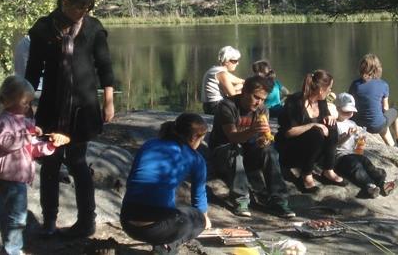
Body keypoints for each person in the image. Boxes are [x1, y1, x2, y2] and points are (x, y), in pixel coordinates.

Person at [25, 0, 116, 238]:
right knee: (50, 163)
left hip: (83, 108)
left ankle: (86, 221)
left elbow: (105, 67)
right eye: (79, 7)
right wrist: (26, 104)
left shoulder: (93, 29)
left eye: (87, 8)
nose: (83, 13)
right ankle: (50, 220)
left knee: (77, 162)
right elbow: (33, 69)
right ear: (64, 2)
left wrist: (108, 100)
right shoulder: (43, 28)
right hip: (52, 107)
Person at [0, 76, 69, 255]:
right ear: (10, 100)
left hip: (19, 178)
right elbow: (7, 143)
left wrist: (50, 145)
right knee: (17, 216)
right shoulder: (4, 121)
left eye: (30, 103)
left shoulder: (23, 123)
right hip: (8, 177)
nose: (29, 107)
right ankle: (12, 250)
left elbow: (32, 149)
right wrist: (27, 134)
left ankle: (12, 247)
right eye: (25, 103)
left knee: (16, 215)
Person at [121, 113, 211, 255]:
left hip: (127, 221)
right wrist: (205, 220)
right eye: (201, 140)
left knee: (176, 208)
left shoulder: (150, 144)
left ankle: (161, 244)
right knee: (197, 218)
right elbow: (199, 200)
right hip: (156, 227)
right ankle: (166, 249)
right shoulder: (196, 159)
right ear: (194, 138)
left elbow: (133, 180)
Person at [209, 76, 295, 218]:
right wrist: (252, 130)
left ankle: (278, 199)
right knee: (235, 149)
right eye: (256, 97)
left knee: (270, 151)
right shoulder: (227, 106)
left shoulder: (262, 109)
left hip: (248, 153)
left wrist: (264, 141)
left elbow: (261, 139)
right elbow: (232, 136)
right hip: (224, 153)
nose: (259, 102)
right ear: (244, 91)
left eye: (263, 99)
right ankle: (240, 200)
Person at [277, 70, 346, 193]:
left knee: (332, 126)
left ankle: (328, 170)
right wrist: (312, 125)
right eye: (329, 88)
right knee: (316, 132)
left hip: (314, 151)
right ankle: (306, 175)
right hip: (293, 149)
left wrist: (328, 118)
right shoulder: (295, 102)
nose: (331, 91)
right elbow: (288, 132)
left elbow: (325, 122)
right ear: (320, 90)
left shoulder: (321, 101)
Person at [332, 93, 397, 198]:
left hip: (352, 154)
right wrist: (347, 136)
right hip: (340, 158)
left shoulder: (352, 123)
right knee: (356, 168)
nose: (349, 114)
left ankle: (382, 182)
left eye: (351, 112)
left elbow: (358, 144)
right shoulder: (334, 124)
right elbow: (334, 143)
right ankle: (369, 186)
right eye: (346, 112)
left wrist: (360, 139)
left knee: (366, 162)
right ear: (337, 109)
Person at [349, 54, 398, 150]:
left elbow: (350, 103)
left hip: (359, 125)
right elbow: (385, 108)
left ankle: (393, 147)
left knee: (382, 123)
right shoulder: (383, 85)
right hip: (376, 126)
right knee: (396, 113)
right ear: (378, 69)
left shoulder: (355, 85)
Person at [201, 45, 245, 115]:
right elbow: (233, 96)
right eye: (235, 61)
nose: (237, 63)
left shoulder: (215, 69)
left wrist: (244, 84)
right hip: (215, 106)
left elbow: (239, 81)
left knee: (241, 88)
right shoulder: (222, 74)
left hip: (211, 105)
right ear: (226, 61)